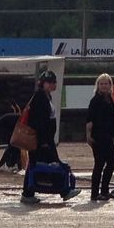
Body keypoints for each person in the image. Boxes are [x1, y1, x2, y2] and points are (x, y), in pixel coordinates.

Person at [20, 70, 81, 204]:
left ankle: (28, 193)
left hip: (45, 139)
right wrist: (43, 141)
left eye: (53, 82)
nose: (51, 85)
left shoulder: (45, 97)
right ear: (42, 83)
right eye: (49, 82)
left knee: (34, 164)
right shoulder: (40, 97)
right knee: (54, 163)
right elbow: (39, 121)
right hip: (43, 140)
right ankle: (64, 190)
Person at [86, 73, 114, 201]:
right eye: (101, 84)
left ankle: (104, 191)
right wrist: (88, 135)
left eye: (106, 83)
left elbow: (108, 115)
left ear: (110, 85)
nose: (104, 86)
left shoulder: (109, 99)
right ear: (98, 85)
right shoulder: (95, 100)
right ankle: (96, 193)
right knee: (101, 164)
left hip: (107, 136)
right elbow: (90, 119)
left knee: (111, 162)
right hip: (98, 137)